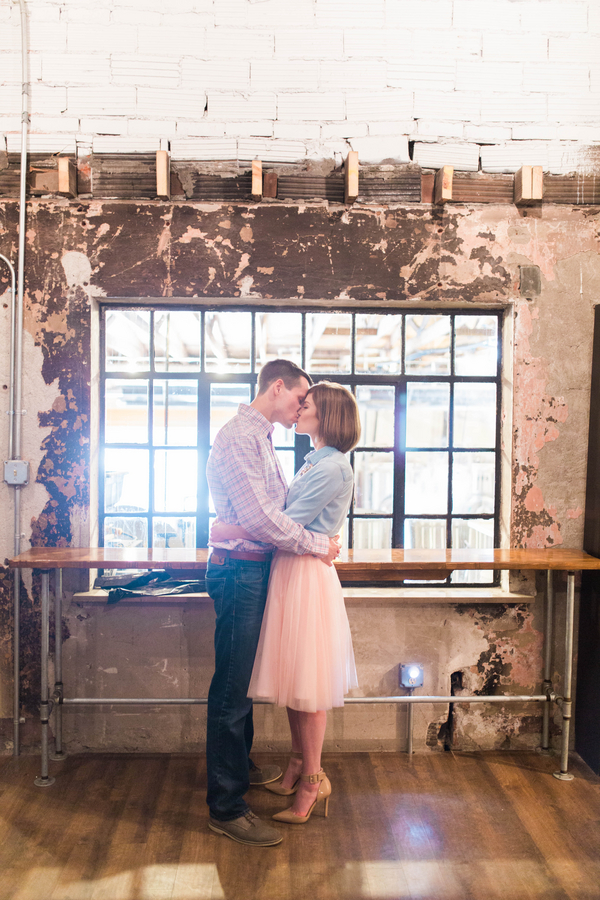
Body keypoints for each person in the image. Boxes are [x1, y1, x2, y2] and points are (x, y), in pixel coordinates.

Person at [211, 381, 361, 826]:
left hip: (304, 576)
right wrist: (313, 541)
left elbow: (280, 522)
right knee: (299, 681)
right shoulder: (312, 460)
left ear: (326, 416)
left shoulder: (330, 466)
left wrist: (230, 529)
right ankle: (300, 766)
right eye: (300, 399)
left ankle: (312, 777)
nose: (300, 409)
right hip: (292, 569)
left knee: (309, 684)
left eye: (307, 404)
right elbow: (276, 520)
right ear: (278, 387)